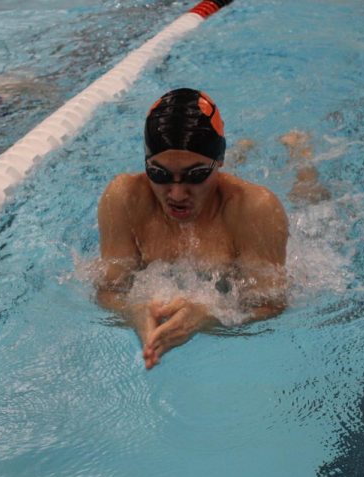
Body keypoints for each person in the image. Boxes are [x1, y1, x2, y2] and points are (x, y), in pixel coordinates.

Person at [96, 88, 289, 369]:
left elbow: (271, 304)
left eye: (195, 175)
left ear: (219, 162)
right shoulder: (125, 198)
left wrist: (211, 316)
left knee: (308, 192)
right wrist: (133, 312)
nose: (176, 193)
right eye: (159, 173)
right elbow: (109, 289)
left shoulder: (255, 209)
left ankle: (299, 151)